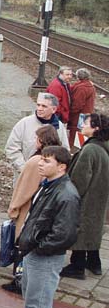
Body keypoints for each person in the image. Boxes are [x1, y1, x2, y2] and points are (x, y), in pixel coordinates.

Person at [10, 146, 79, 308]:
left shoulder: (66, 195)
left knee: (39, 301)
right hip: (35, 251)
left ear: (61, 166)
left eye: (47, 161)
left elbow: (64, 234)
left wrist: (38, 248)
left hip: (45, 256)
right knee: (32, 297)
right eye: (41, 159)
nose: (40, 163)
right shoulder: (49, 186)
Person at [3, 125, 62, 293]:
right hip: (42, 210)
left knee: (21, 243)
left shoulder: (37, 161)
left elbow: (24, 188)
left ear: (41, 141)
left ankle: (19, 280)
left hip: (29, 210)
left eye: (36, 138)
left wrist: (13, 208)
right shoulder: (56, 158)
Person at [60, 113, 109, 279]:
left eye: (86, 123)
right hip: (99, 198)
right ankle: (94, 264)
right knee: (93, 229)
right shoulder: (103, 146)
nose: (82, 125)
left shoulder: (89, 150)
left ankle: (77, 266)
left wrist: (69, 197)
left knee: (80, 230)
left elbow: (79, 181)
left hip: (87, 199)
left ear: (96, 128)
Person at [6, 93, 69, 171]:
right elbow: (12, 148)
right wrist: (24, 168)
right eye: (38, 105)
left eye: (44, 106)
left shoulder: (60, 127)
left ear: (54, 109)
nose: (39, 108)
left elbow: (64, 151)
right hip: (25, 173)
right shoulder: (24, 123)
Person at [68, 69, 96, 147]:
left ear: (78, 77)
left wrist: (70, 112)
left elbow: (77, 105)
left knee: (75, 134)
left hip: (79, 115)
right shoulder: (89, 85)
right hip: (86, 113)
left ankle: (73, 150)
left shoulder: (82, 88)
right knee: (81, 134)